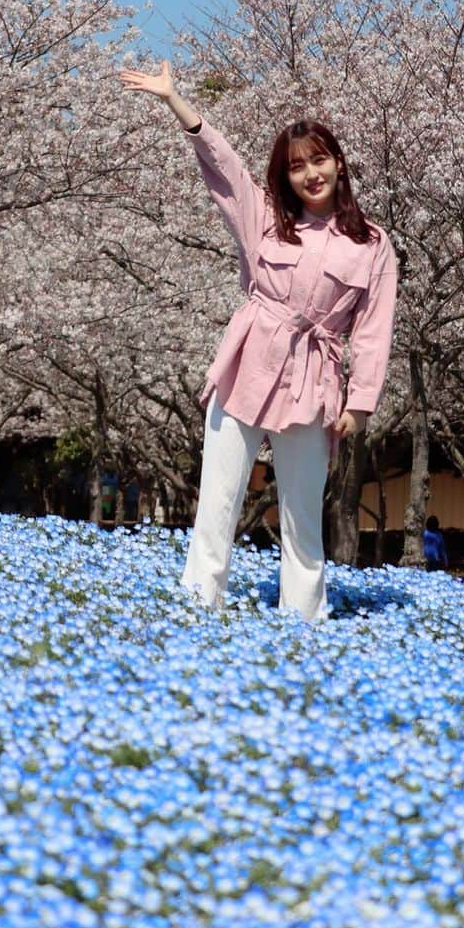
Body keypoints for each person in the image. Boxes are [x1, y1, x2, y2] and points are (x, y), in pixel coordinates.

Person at [118, 60, 398, 621]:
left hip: (313, 377)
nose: (311, 174)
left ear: (339, 164)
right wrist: (179, 103)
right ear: (285, 176)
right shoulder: (266, 220)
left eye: (319, 160)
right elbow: (224, 171)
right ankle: (198, 607)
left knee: (300, 512)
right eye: (297, 167)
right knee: (218, 497)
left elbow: (373, 328)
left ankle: (304, 621)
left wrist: (359, 403)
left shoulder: (372, 244)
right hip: (249, 358)